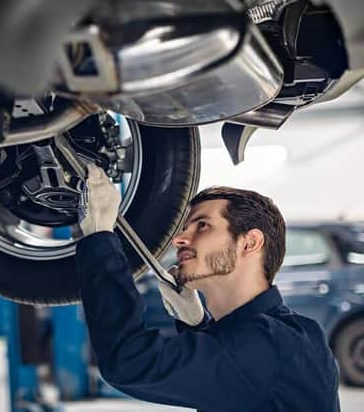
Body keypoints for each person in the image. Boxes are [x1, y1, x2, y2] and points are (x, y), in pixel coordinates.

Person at [76, 164, 340, 411]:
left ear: (249, 243)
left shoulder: (269, 344)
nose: (179, 239)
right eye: (185, 228)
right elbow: (236, 376)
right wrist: (199, 324)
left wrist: (100, 238)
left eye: (202, 225)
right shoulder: (295, 333)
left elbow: (129, 362)